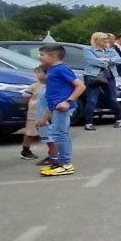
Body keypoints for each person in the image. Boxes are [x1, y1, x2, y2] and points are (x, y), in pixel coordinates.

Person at [37, 44, 84, 176]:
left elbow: (80, 86)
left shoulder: (61, 69)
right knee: (58, 134)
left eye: (42, 55)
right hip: (55, 107)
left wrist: (68, 101)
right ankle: (61, 162)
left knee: (61, 135)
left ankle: (66, 164)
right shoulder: (52, 70)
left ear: (53, 56)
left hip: (62, 108)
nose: (39, 57)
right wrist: (46, 115)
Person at [82, 32, 121, 131]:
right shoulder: (88, 50)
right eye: (103, 39)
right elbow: (92, 61)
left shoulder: (111, 50)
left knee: (113, 99)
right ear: (97, 40)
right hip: (94, 76)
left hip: (109, 76)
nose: (106, 40)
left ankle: (119, 119)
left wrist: (105, 59)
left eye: (107, 38)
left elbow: (119, 60)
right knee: (92, 100)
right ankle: (88, 123)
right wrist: (108, 61)